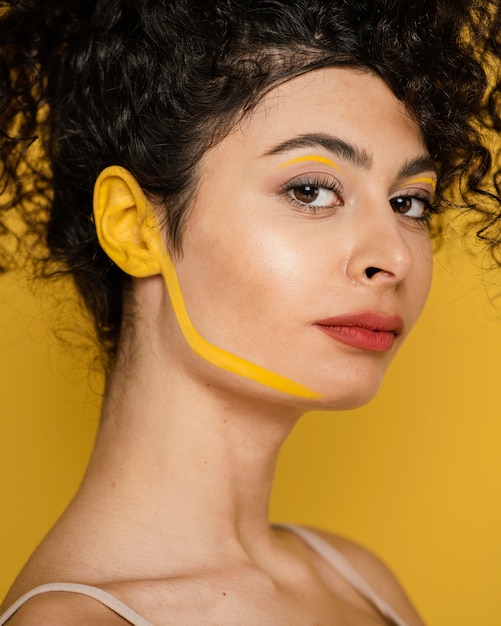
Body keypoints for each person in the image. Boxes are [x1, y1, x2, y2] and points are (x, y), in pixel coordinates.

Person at [0, 1, 497, 624]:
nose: (393, 256)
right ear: (132, 226)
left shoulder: (358, 582)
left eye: (409, 202)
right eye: (310, 190)